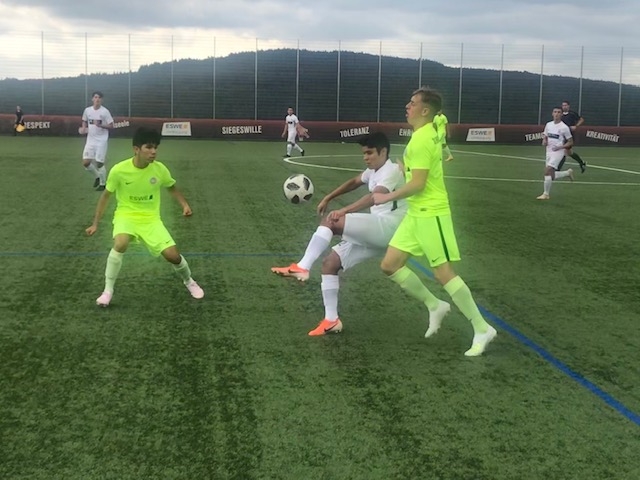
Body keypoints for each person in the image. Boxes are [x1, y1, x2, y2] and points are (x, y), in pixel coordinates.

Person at [371, 86, 497, 357]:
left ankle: (482, 328)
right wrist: (405, 168)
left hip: (431, 213)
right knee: (390, 265)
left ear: (425, 110)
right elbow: (421, 172)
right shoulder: (427, 133)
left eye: (412, 103)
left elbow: (419, 184)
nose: (407, 106)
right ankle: (435, 305)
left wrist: (387, 196)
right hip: (415, 214)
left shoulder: (422, 139)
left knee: (443, 272)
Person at [271, 132, 410, 336]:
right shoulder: (373, 171)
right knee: (330, 263)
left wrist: (344, 210)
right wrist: (328, 197)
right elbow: (354, 182)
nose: (365, 157)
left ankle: (302, 267)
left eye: (370, 153)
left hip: (390, 228)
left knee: (332, 221)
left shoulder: (392, 171)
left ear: (383, 152)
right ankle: (332, 320)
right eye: (364, 153)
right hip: (378, 228)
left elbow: (374, 197)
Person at [85, 127, 204, 307]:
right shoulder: (119, 170)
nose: (153, 151)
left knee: (173, 256)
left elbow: (171, 187)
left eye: (155, 147)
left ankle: (189, 281)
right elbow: (106, 196)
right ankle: (107, 291)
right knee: (120, 243)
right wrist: (95, 224)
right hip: (126, 215)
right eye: (148, 147)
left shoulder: (159, 169)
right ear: (136, 149)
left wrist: (185, 205)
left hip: (150, 219)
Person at [536, 107, 574, 200]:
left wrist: (560, 147)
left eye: (559, 112)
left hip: (558, 152)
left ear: (561, 114)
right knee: (551, 175)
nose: (556, 114)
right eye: (555, 112)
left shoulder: (564, 127)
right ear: (552, 113)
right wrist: (544, 140)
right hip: (548, 151)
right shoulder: (548, 124)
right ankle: (567, 173)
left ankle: (546, 194)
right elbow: (545, 135)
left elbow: (570, 142)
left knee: (547, 170)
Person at [81, 91, 114, 191]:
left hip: (101, 141)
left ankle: (103, 184)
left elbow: (111, 125)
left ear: (102, 100)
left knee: (99, 162)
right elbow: (84, 120)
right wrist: (84, 128)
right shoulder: (87, 110)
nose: (97, 99)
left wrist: (100, 125)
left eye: (99, 97)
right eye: (95, 97)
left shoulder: (105, 112)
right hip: (90, 140)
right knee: (86, 162)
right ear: (92, 99)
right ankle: (98, 176)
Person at [559, 100, 586, 173]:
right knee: (569, 152)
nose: (564, 107)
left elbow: (581, 119)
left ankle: (557, 169)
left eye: (565, 105)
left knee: (564, 152)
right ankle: (582, 163)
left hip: (569, 136)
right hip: (561, 136)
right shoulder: (560, 114)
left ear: (568, 106)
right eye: (563, 105)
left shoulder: (572, 114)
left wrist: (576, 126)